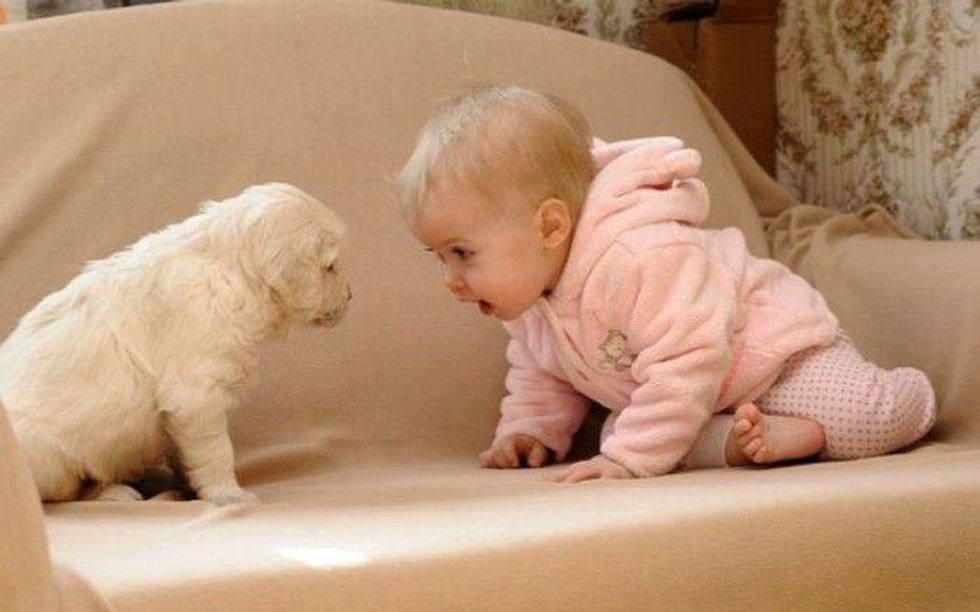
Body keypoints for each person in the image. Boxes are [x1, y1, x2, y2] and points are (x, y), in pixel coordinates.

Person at [397, 84, 936, 483]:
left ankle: (908, 395)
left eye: (462, 254)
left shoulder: (639, 256)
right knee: (615, 431)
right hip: (703, 398)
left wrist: (631, 461)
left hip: (776, 360)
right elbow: (543, 374)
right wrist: (530, 431)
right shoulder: (531, 297)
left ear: (551, 226)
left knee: (861, 421)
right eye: (439, 257)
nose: (451, 280)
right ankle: (766, 439)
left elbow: (692, 354)